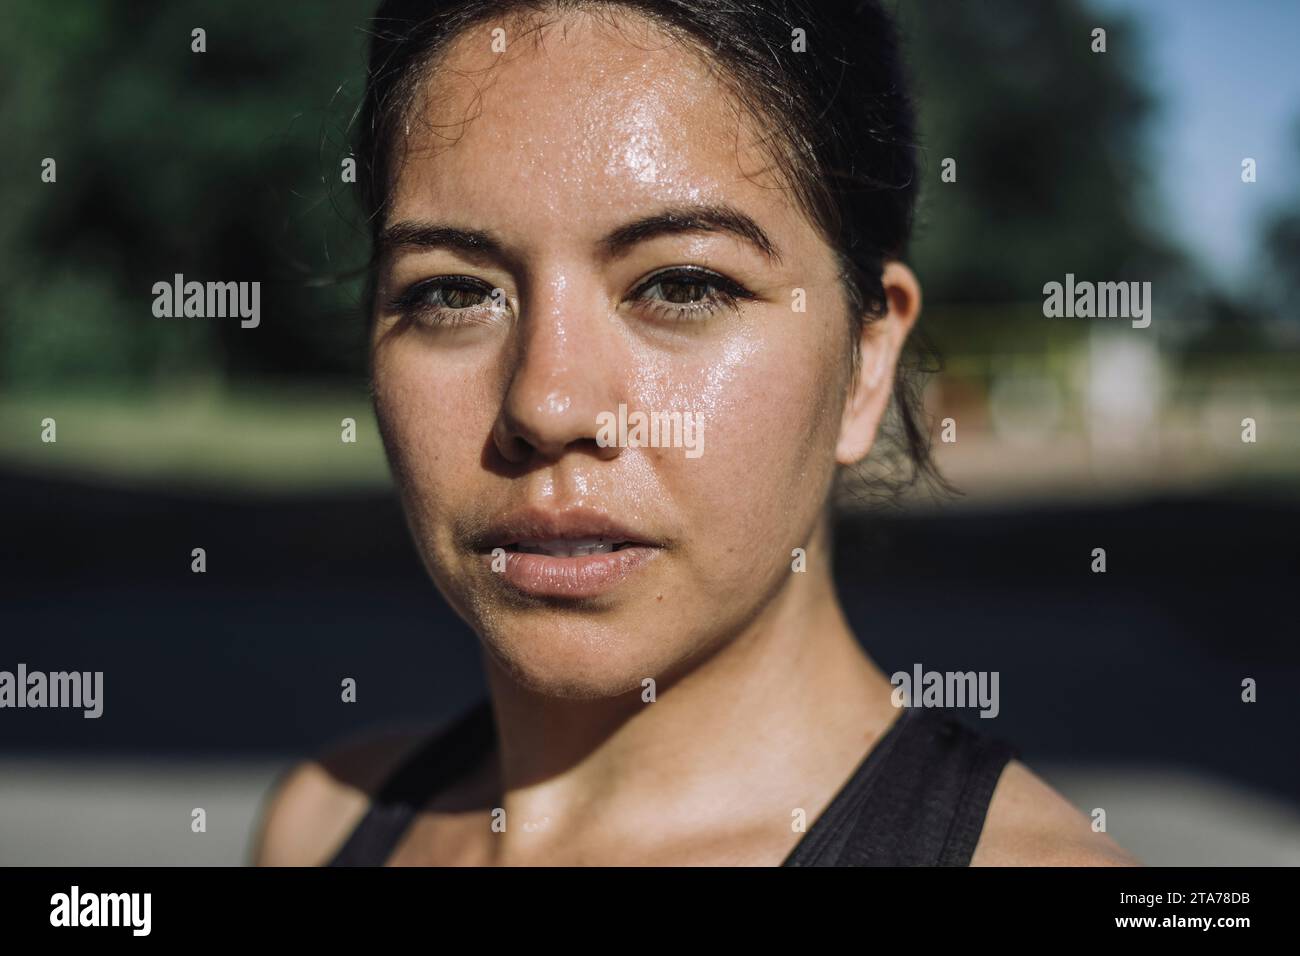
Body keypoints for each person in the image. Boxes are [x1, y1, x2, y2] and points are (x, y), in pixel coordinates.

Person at [253, 0, 1137, 866]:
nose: (547, 405)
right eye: (453, 291)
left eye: (681, 284)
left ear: (867, 362)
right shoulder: (323, 823)